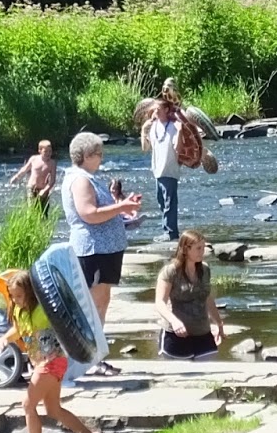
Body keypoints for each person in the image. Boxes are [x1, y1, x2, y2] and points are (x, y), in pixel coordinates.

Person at [61, 132, 141, 376]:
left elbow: (101, 210)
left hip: (104, 248)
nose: (101, 157)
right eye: (98, 153)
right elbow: (89, 213)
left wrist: (121, 204)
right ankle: (86, 358)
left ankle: (93, 356)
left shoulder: (87, 178)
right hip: (93, 249)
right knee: (92, 305)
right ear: (86, 155)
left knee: (100, 301)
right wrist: (123, 207)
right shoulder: (80, 180)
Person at [1, 269, 99, 433]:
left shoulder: (43, 310)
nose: (16, 300)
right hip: (44, 363)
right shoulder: (20, 311)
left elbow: (63, 317)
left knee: (28, 405)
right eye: (13, 297)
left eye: (20, 296)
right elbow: (18, 330)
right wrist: (5, 338)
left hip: (51, 361)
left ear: (30, 292)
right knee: (53, 409)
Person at [155, 231, 225, 359]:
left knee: (210, 376)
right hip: (176, 335)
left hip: (203, 333)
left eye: (203, 247)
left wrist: (219, 323)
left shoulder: (205, 269)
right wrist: (174, 321)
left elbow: (208, 299)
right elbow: (160, 303)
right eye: (198, 248)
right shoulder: (170, 271)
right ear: (185, 249)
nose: (202, 251)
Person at [140, 99, 182, 241]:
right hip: (157, 170)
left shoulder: (174, 127)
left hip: (169, 169)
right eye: (154, 109)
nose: (155, 111)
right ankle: (168, 230)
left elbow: (177, 147)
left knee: (170, 202)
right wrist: (143, 130)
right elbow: (145, 148)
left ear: (166, 110)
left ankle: (171, 232)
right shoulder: (153, 127)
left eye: (158, 109)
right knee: (161, 201)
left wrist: (181, 130)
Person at [8, 140, 57, 212]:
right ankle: (30, 221)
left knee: (43, 212)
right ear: (40, 150)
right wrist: (16, 177)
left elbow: (52, 180)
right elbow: (24, 169)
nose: (48, 153)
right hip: (31, 188)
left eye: (50, 151)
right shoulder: (34, 159)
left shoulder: (52, 163)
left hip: (43, 189)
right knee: (31, 209)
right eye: (45, 151)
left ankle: (42, 222)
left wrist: (45, 190)